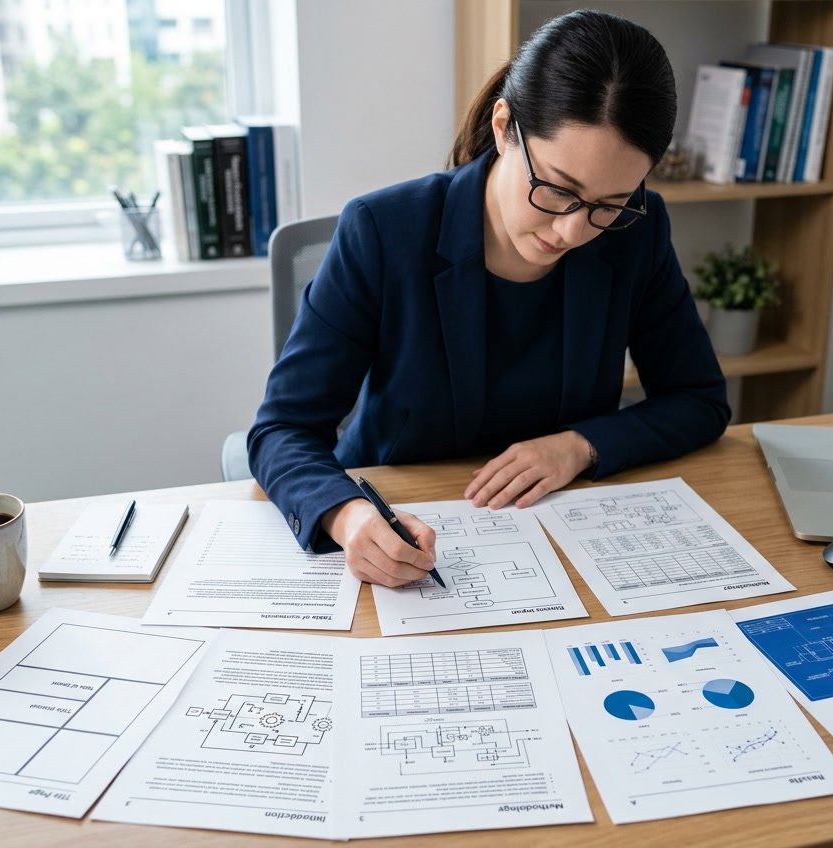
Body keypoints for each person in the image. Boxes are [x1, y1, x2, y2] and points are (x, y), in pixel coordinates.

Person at [248, 9, 730, 587]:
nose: (574, 232)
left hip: (562, 537)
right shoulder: (383, 230)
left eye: (611, 204)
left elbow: (699, 399)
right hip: (401, 530)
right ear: (505, 128)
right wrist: (346, 515)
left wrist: (581, 446)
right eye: (557, 189)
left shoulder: (638, 234)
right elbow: (281, 430)